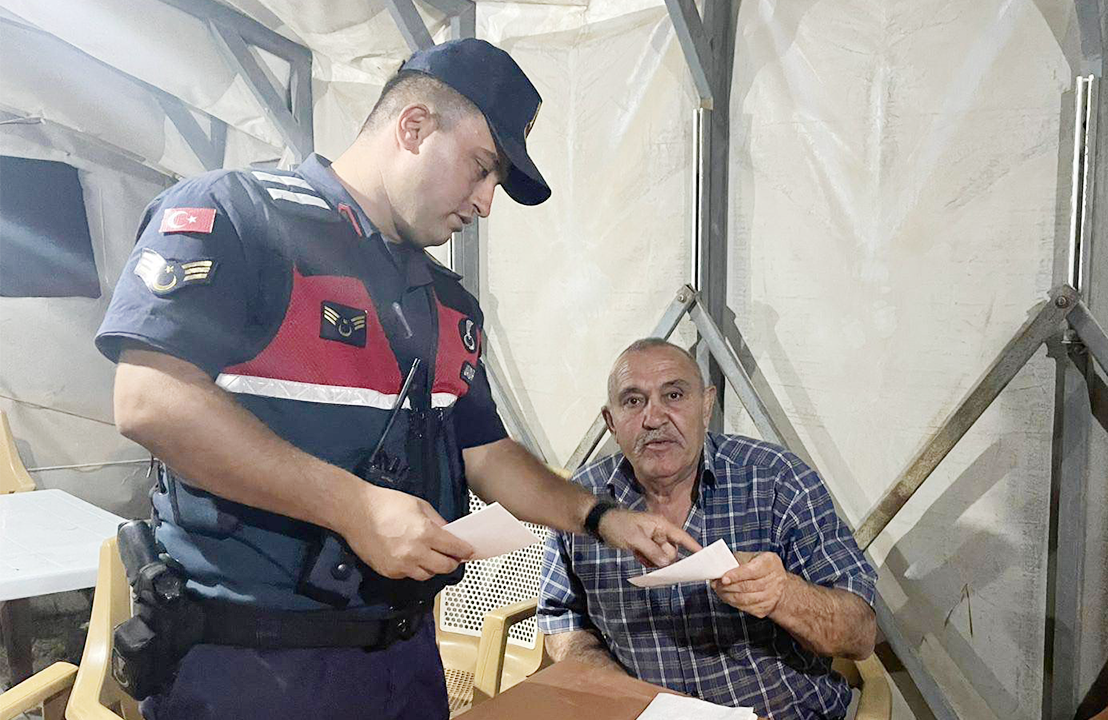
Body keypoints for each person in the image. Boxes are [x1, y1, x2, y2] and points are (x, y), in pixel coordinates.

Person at [95, 39, 698, 720]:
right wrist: (354, 507)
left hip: (406, 662)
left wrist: (603, 518)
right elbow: (151, 398)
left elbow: (487, 454)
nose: (486, 202)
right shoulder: (240, 216)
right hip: (255, 666)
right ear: (413, 127)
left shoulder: (447, 301)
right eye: (482, 168)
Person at [538, 338, 878, 720]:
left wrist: (782, 595)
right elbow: (562, 621)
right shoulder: (584, 504)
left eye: (674, 395)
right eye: (633, 401)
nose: (654, 418)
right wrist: (624, 696)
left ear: (705, 406)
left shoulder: (777, 480)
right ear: (611, 422)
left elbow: (860, 635)